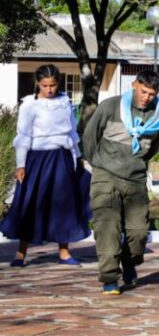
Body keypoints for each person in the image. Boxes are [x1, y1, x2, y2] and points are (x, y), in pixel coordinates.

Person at [83, 70, 159, 295]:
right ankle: (110, 277)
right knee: (107, 226)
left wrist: (137, 164)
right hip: (105, 175)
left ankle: (130, 262)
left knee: (138, 232)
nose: (146, 97)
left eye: (151, 93)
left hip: (135, 179)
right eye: (143, 91)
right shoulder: (111, 106)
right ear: (134, 85)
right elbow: (90, 136)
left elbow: (152, 149)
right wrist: (98, 165)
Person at [0, 64, 91, 267]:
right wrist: (21, 165)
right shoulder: (29, 105)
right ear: (37, 84)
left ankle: (64, 252)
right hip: (37, 159)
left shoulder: (65, 102)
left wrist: (77, 156)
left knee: (63, 203)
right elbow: (23, 135)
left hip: (62, 157)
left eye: (53, 85)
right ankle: (21, 253)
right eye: (44, 85)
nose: (49, 89)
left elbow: (71, 133)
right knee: (31, 202)